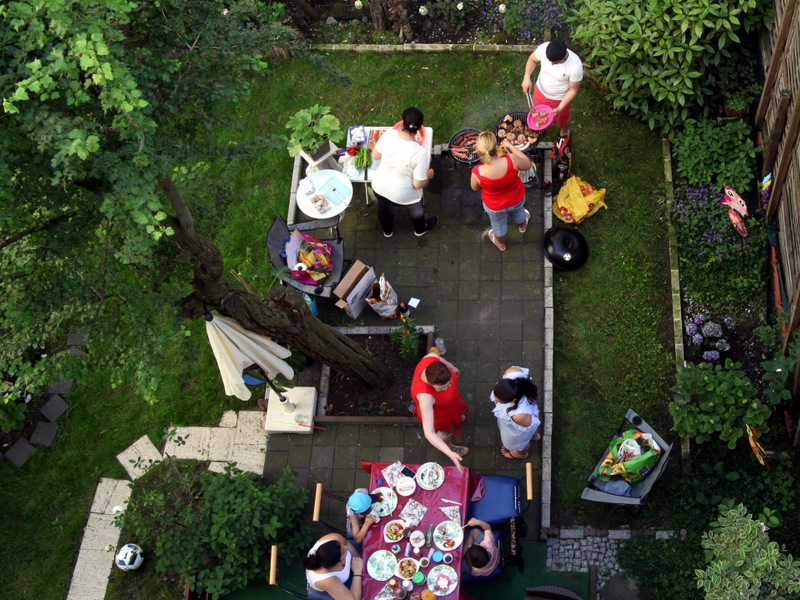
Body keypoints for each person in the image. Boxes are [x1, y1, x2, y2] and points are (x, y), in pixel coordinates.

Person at [371, 107, 439, 237]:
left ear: (402, 122)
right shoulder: (420, 153)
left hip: (380, 186)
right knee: (416, 212)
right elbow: (417, 184)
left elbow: (375, 156)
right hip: (404, 194)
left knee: (384, 209)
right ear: (419, 129)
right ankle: (420, 229)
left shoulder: (388, 135)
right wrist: (429, 174)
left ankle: (387, 231)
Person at [470, 132, 533, 252]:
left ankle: (500, 244)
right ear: (496, 147)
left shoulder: (477, 172)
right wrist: (510, 146)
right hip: (516, 199)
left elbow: (475, 188)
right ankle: (522, 226)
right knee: (519, 213)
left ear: (480, 152)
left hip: (495, 206)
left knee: (498, 225)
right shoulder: (511, 160)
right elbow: (528, 164)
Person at [410, 351, 470, 472]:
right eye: (443, 388)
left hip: (452, 405)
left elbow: (438, 357)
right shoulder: (425, 396)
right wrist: (449, 454)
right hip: (441, 417)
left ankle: (458, 417)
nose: (448, 387)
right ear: (431, 383)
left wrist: (453, 368)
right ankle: (449, 445)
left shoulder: (431, 359)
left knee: (458, 415)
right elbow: (429, 432)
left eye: (449, 384)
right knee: (445, 434)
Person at [521, 39, 583, 139]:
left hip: (560, 99)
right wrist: (527, 77)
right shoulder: (544, 48)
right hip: (540, 91)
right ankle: (540, 128)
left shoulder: (575, 66)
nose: (552, 65)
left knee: (563, 117)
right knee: (536, 114)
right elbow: (532, 59)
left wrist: (560, 107)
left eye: (554, 63)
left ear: (563, 57)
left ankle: (564, 130)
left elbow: (573, 89)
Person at [492, 366, 541, 459]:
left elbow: (527, 429)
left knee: (520, 442)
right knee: (531, 431)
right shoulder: (513, 372)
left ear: (513, 399)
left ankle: (521, 454)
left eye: (498, 400)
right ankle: (535, 436)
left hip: (523, 426)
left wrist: (521, 440)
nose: (494, 400)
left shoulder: (518, 415)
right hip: (529, 416)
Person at [303, 533, 364, 600]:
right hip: (329, 586)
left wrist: (360, 558)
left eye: (342, 546)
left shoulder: (334, 538)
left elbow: (346, 543)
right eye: (344, 551)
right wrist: (357, 572)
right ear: (336, 564)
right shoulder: (326, 580)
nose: (346, 548)